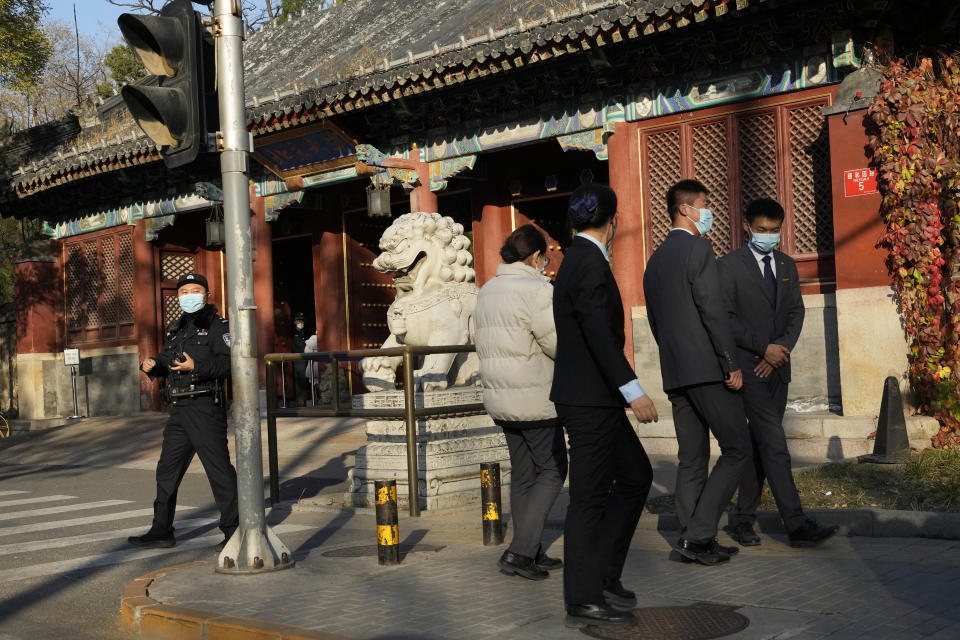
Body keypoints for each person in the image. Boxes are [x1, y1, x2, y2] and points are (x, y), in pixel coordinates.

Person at [551, 183, 658, 628]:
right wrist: (633, 390)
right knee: (589, 498)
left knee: (636, 476)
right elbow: (597, 332)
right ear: (613, 221)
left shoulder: (578, 258)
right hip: (591, 399)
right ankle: (583, 596)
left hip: (596, 397)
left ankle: (606, 573)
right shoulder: (588, 262)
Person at [642, 179, 750, 566]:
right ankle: (701, 533)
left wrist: (675, 357)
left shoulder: (654, 260)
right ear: (685, 209)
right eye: (705, 203)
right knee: (738, 448)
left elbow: (655, 321)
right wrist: (730, 362)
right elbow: (712, 310)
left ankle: (693, 540)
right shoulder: (698, 247)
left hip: (676, 371)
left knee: (691, 459)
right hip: (707, 368)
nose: (709, 211)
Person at [720, 198, 839, 548]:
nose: (768, 236)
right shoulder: (729, 266)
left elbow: (795, 314)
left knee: (761, 444)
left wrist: (780, 350)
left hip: (778, 368)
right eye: (761, 230)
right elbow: (726, 318)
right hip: (750, 368)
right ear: (747, 227)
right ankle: (797, 525)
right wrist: (763, 349)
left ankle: (742, 519)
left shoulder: (786, 265)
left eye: (774, 231)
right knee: (774, 444)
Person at [474, 224, 567, 582]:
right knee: (554, 469)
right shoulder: (539, 290)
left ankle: (531, 545)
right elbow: (556, 343)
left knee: (524, 472)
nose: (546, 263)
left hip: (501, 396)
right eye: (544, 256)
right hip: (535, 394)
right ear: (534, 257)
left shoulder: (488, 290)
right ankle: (521, 552)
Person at [129, 273, 238, 550]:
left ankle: (234, 531)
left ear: (206, 294)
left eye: (195, 290)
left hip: (205, 407)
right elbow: (168, 358)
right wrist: (154, 363)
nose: (189, 295)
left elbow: (229, 365)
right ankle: (161, 530)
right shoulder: (177, 329)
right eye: (184, 291)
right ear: (178, 297)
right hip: (179, 409)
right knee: (166, 471)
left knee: (219, 472)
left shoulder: (217, 326)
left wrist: (196, 368)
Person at [291, 312, 310, 406]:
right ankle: (300, 399)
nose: (300, 322)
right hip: (297, 359)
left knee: (305, 379)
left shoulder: (304, 333)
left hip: (305, 358)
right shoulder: (292, 333)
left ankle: (305, 398)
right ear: (295, 322)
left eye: (301, 321)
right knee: (300, 380)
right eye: (298, 321)